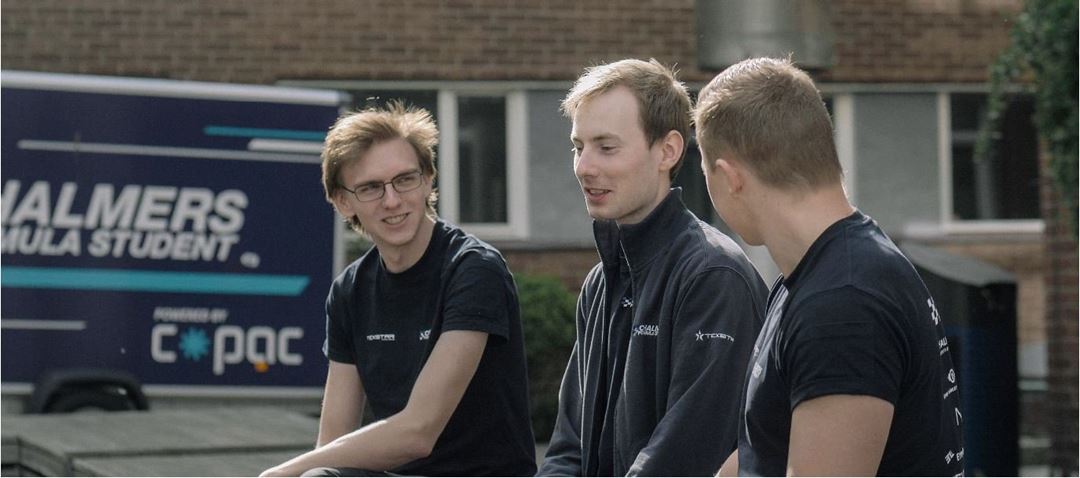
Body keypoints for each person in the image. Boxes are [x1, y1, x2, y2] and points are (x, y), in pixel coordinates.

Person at [693, 57, 965, 476]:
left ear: (730, 177)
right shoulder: (816, 278)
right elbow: (763, 450)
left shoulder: (842, 305)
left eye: (703, 170)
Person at [261, 103, 536, 477]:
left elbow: (418, 433)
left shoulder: (473, 270)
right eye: (371, 187)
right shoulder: (350, 292)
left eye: (405, 179)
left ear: (428, 179)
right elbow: (333, 442)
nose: (392, 200)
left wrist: (280, 472)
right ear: (344, 202)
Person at [537, 59, 768, 477]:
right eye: (578, 146)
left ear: (668, 151)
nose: (584, 167)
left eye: (606, 147)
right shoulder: (600, 281)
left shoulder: (713, 277)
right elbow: (570, 446)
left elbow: (684, 457)